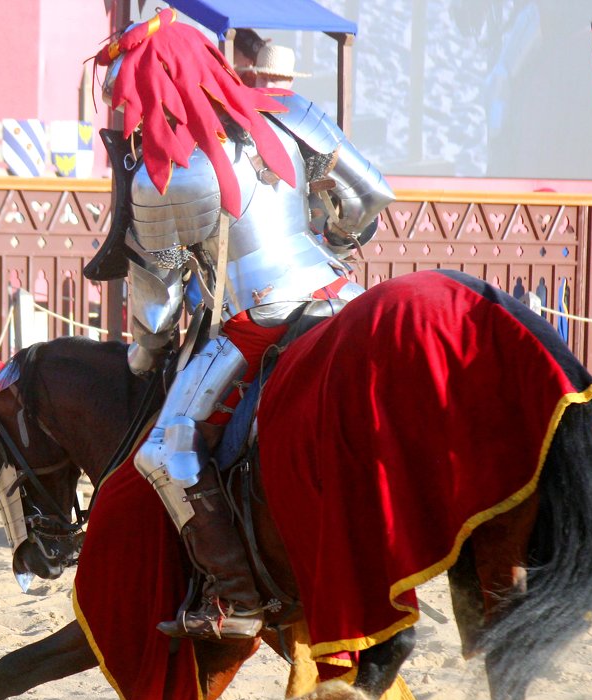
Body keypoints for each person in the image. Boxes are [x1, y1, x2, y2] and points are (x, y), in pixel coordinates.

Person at [84, 9, 394, 641]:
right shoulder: (290, 113)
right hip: (339, 294)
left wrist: (145, 357)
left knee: (165, 454)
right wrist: (331, 237)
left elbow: (157, 310)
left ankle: (235, 598)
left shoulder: (160, 174)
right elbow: (371, 197)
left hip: (257, 318)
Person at [239, 42, 311, 90]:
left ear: (289, 82)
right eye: (263, 78)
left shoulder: (297, 111)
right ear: (256, 78)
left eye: (274, 80)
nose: (268, 85)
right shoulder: (244, 105)